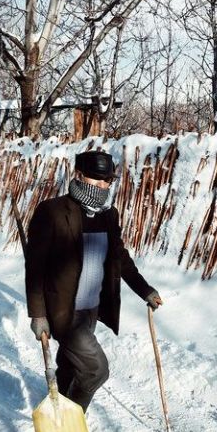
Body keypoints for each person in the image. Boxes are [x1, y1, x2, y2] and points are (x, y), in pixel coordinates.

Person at [25, 150, 163, 413]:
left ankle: (58, 407)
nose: (101, 186)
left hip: (91, 308)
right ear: (79, 175)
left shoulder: (108, 215)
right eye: (95, 178)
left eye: (107, 181)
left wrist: (144, 290)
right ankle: (71, 417)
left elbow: (119, 256)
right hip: (63, 310)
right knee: (96, 369)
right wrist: (38, 314)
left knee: (70, 364)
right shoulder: (53, 211)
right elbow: (35, 268)